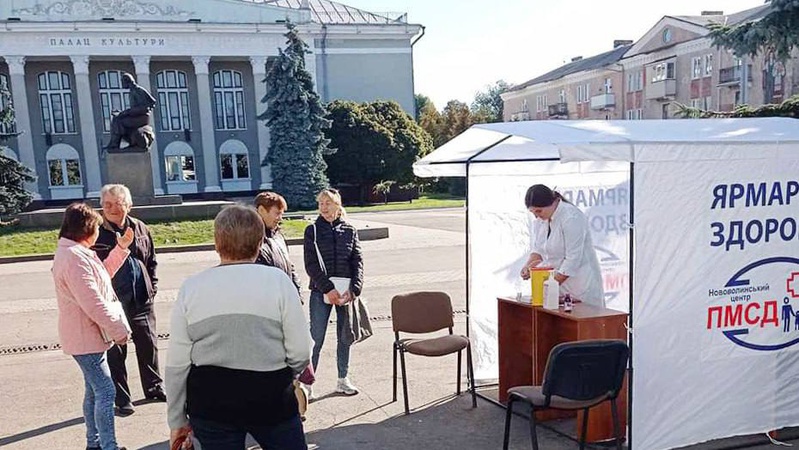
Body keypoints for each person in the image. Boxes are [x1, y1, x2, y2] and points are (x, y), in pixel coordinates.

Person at [166, 205, 311, 450]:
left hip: (211, 400)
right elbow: (300, 350)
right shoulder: (278, 282)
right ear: (259, 242)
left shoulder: (192, 288)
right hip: (271, 395)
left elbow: (177, 364)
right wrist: (292, 373)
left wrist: (176, 419)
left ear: (217, 242)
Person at [52, 202, 134, 450]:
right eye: (97, 227)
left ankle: (95, 443)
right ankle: (107, 446)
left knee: (93, 392)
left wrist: (120, 249)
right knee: (106, 392)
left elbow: (101, 277)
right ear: (87, 228)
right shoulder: (74, 258)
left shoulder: (75, 253)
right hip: (85, 337)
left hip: (87, 337)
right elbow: (94, 303)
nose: (99, 232)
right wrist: (120, 332)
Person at [94, 184, 164, 416]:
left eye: (118, 203)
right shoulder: (95, 231)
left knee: (148, 343)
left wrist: (152, 286)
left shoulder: (140, 227)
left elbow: (151, 258)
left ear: (129, 205)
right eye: (107, 204)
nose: (112, 209)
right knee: (116, 351)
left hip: (142, 297)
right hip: (114, 301)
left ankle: (154, 387)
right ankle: (122, 398)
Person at [303, 188, 364, 397]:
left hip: (346, 292)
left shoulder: (349, 230)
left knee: (344, 337)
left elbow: (357, 262)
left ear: (337, 205)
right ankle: (307, 385)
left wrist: (355, 289)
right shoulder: (312, 230)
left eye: (327, 203)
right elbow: (311, 265)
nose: (323, 207)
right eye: (320, 203)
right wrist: (327, 289)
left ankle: (342, 379)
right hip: (321, 292)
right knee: (316, 338)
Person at [520, 184, 605, 307]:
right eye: (532, 212)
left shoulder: (571, 217)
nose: (536, 216)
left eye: (539, 211)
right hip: (555, 286)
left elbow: (572, 260)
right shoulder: (540, 220)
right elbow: (538, 250)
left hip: (580, 288)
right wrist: (527, 267)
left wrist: (549, 288)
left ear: (552, 203)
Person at [254, 191, 300, 292]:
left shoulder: (278, 236)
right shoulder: (250, 239)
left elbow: (290, 267)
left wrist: (297, 294)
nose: (280, 218)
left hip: (284, 297)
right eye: (277, 213)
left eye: (281, 214)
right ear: (261, 210)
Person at [104, 73, 156, 151]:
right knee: (116, 118)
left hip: (141, 118)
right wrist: (123, 113)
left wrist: (125, 113)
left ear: (127, 81)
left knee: (118, 121)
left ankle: (114, 144)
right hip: (136, 116)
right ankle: (115, 143)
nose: (121, 84)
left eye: (122, 82)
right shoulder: (132, 91)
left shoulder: (137, 90)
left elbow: (144, 108)